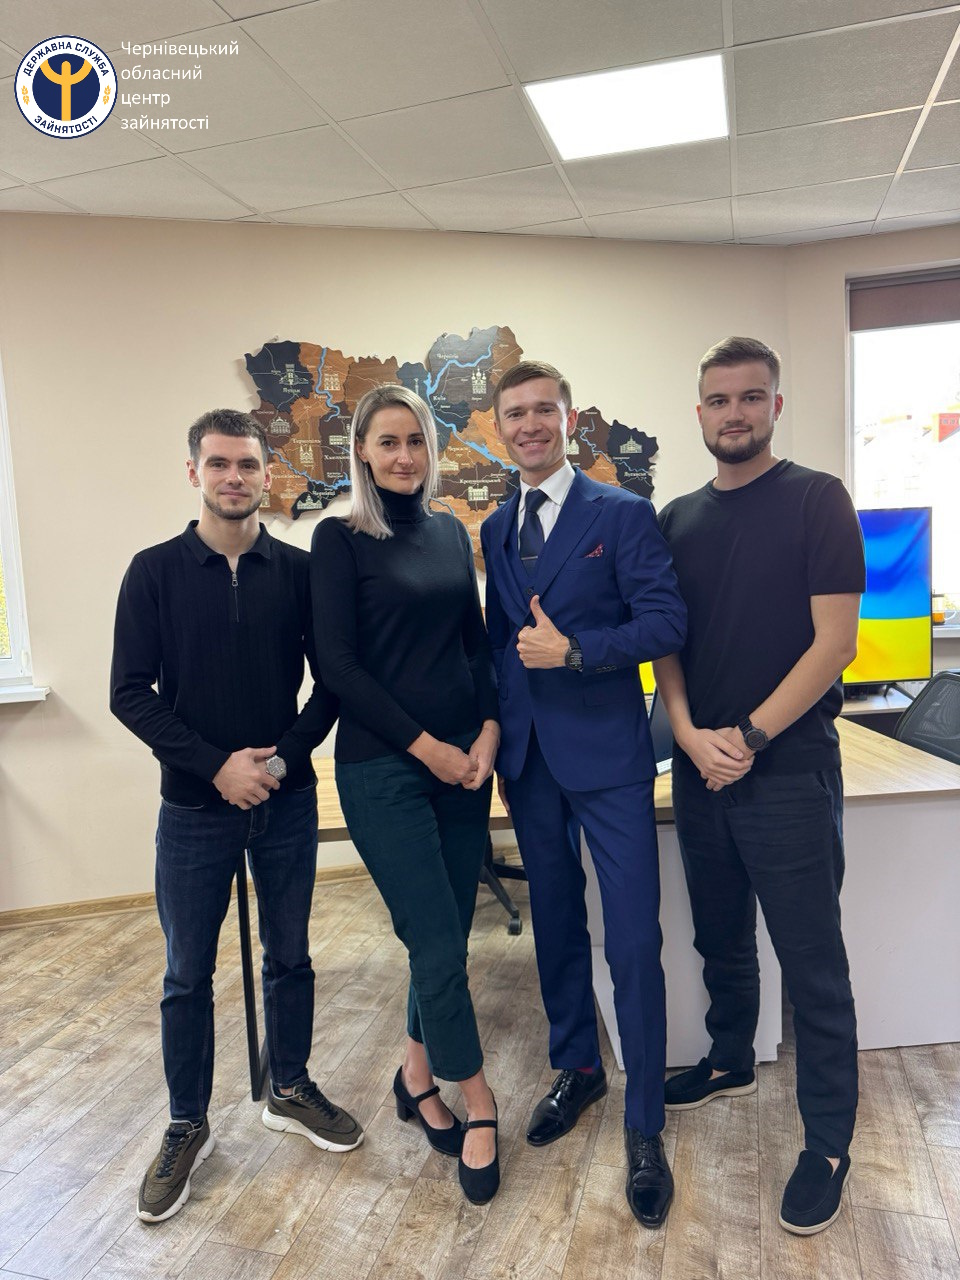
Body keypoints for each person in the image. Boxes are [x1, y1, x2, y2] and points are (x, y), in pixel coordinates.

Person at [111, 409, 362, 1225]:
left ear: (266, 474)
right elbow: (129, 693)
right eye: (218, 464)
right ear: (194, 472)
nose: (233, 478)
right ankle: (188, 1124)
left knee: (290, 957)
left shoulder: (297, 572)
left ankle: (289, 1086)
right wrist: (216, 767)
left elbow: (333, 681)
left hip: (285, 802)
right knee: (187, 974)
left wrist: (279, 762)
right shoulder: (153, 572)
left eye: (247, 465)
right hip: (193, 808)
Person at [653, 336, 864, 1236]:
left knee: (813, 963)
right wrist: (688, 732)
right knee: (721, 938)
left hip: (786, 771)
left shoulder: (818, 499)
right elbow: (665, 640)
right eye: (718, 399)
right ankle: (730, 1059)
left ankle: (829, 1142)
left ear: (776, 405)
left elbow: (836, 644)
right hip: (702, 769)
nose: (733, 413)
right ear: (698, 412)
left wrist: (746, 737)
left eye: (750, 397)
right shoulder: (676, 519)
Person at [480, 360, 687, 1229]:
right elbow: (500, 643)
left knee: (632, 938)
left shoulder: (622, 513)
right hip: (529, 761)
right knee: (558, 927)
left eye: (543, 411)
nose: (529, 425)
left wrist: (575, 653)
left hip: (608, 760)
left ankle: (646, 1121)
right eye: (514, 414)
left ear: (568, 420)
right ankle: (580, 1068)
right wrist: (495, 737)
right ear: (499, 428)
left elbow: (666, 623)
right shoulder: (496, 525)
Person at [309, 384, 502, 1206]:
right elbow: (338, 667)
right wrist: (428, 749)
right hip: (384, 768)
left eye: (415, 441)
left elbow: (476, 646)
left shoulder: (452, 532)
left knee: (446, 937)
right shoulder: (339, 538)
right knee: (436, 938)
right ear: (361, 450)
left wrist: (487, 733)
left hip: (463, 765)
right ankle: (479, 1100)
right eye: (387, 442)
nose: (403, 456)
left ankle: (415, 1076)